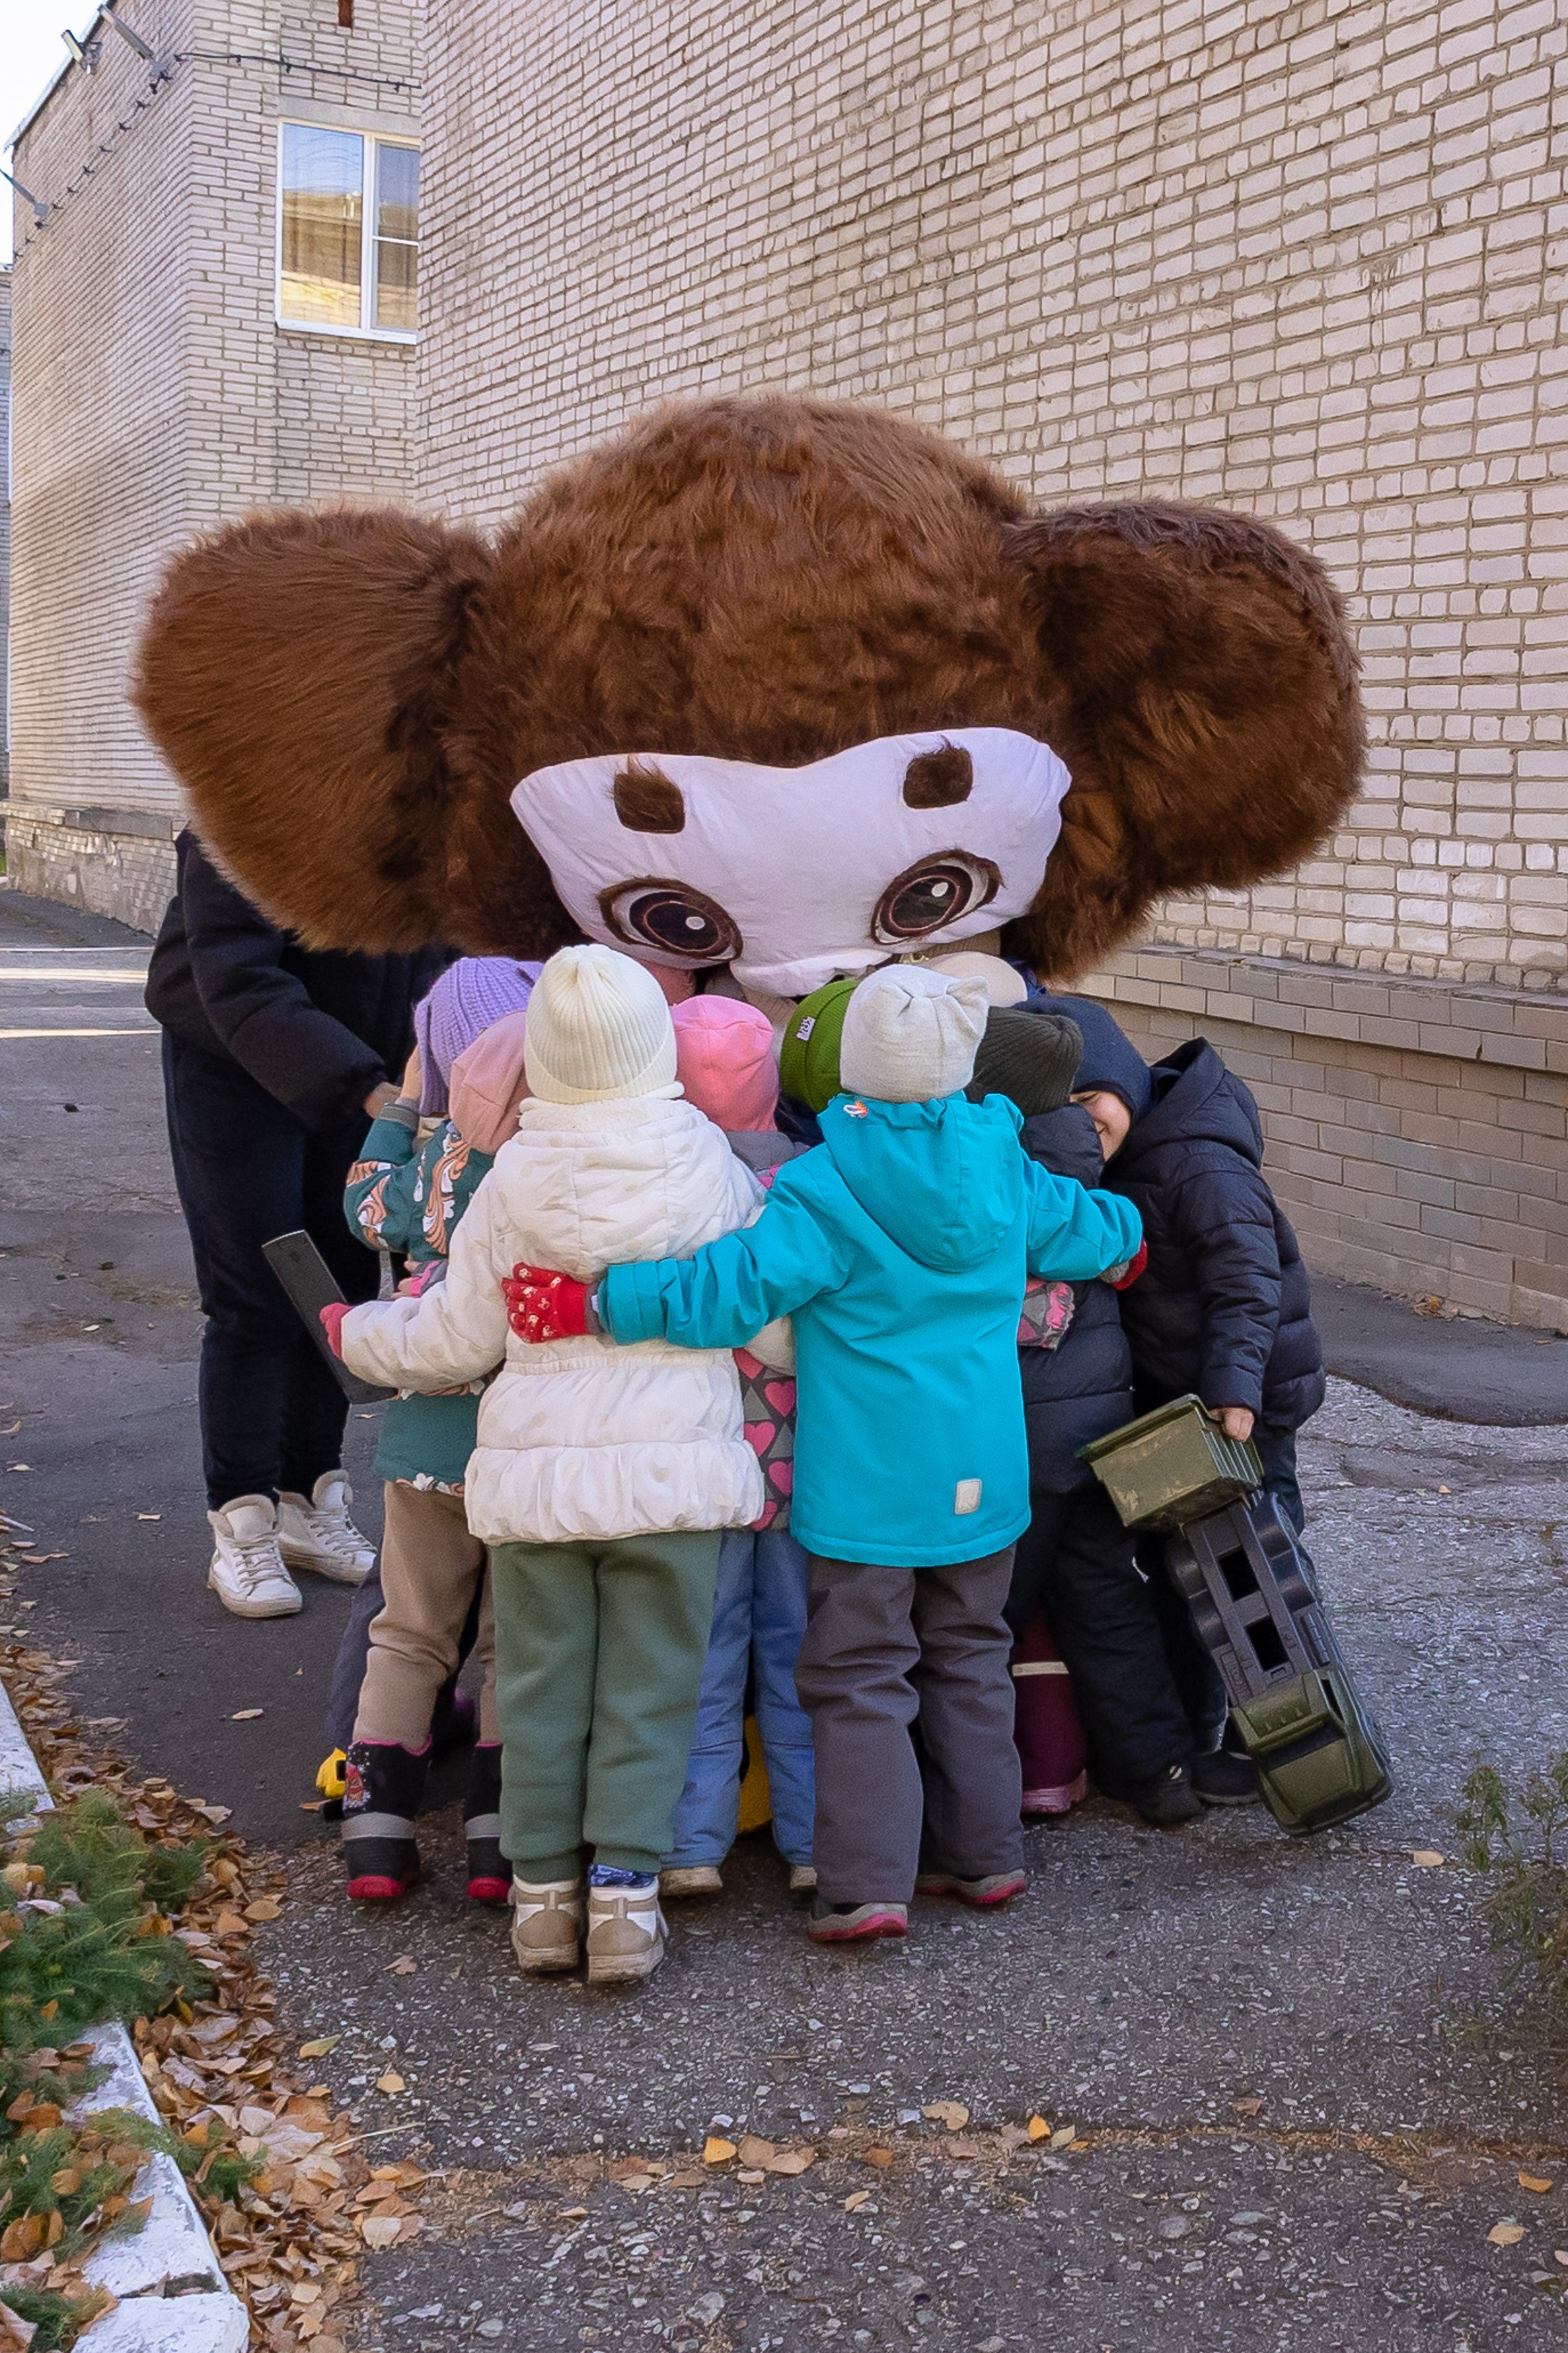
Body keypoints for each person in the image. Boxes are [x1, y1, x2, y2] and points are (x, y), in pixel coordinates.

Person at [507, 966, 1144, 1947]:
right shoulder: (1002, 1165)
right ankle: (989, 1857)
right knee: (972, 1657)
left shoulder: (822, 1186)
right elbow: (1090, 1230)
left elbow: (726, 1291)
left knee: (858, 1674)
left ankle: (866, 1885)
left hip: (868, 1486)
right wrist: (1127, 1240)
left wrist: (595, 1302)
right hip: (983, 1470)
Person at [323, 946, 765, 1984]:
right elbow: (763, 1312)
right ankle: (624, 1899)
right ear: (653, 1042)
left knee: (538, 1686)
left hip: (535, 1487)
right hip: (672, 1486)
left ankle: (540, 1899)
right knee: (651, 1690)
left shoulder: (513, 1177)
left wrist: (356, 1334)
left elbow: (451, 1339)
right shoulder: (709, 1163)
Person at [145, 828, 449, 1618]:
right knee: (256, 1287)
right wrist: (370, 1088)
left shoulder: (436, 814)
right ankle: (241, 1516)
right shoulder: (248, 810)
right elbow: (238, 978)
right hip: (235, 1060)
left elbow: (450, 960)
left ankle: (311, 1497)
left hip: (372, 1072)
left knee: (339, 1285)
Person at [1057, 995, 1325, 1780]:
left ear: (1126, 1082)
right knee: (1194, 1571)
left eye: (1091, 1097)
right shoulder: (1135, 1154)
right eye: (1062, 1107)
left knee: (1259, 1570)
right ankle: (1209, 1724)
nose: (1083, 1120)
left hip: (1244, 1404)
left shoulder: (1197, 1161)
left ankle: (1288, 1742)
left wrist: (1234, 1390)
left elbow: (1247, 1283)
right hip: (1188, 1405)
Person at [328, 958, 540, 1907]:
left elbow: (362, 1208)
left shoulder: (432, 1162)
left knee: (407, 1631)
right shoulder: (548, 1155)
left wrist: (409, 1103)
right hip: (521, 1439)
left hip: (424, 1443)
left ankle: (376, 1837)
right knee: (507, 1643)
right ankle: (496, 1849)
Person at [970, 1001, 1211, 1824]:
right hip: (1100, 1432)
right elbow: (1126, 1258)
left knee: (985, 1620)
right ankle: (1159, 1771)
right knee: (1109, 1599)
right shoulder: (1099, 1175)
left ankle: (970, 1807)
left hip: (1020, 1440)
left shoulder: (990, 1165)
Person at [658, 995, 816, 1902]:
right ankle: (813, 1842)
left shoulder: (663, 1188)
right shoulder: (808, 1180)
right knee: (804, 1656)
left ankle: (690, 1844)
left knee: (701, 1656)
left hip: (699, 1464)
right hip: (800, 1463)